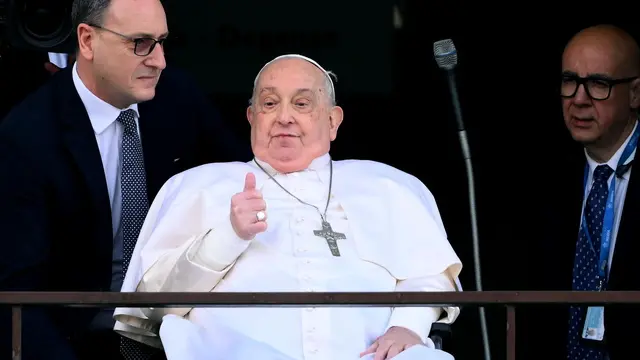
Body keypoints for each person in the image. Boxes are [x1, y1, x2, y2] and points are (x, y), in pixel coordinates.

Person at [113, 54, 463, 360]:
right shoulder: (198, 186)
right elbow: (154, 305)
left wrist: (409, 326)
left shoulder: (386, 186)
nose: (283, 117)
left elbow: (430, 273)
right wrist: (226, 236)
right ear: (251, 117)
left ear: (333, 120)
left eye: (302, 103)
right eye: (269, 103)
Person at [0, 0, 251, 359]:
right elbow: (17, 297)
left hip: (179, 328)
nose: (159, 60)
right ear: (86, 41)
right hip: (76, 338)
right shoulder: (27, 137)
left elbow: (252, 180)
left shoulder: (179, 98)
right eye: (140, 43)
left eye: (162, 41)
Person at [512, 24, 640, 360]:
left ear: (636, 93)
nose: (579, 99)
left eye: (599, 84)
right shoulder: (540, 177)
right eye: (570, 81)